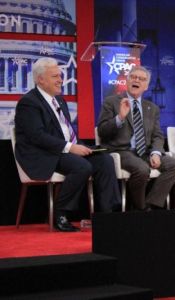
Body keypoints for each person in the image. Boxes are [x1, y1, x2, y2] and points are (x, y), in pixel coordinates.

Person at [14, 57, 121, 232]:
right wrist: (71, 148)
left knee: (104, 160)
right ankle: (59, 213)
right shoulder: (29, 102)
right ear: (40, 79)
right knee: (81, 166)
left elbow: (66, 130)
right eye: (55, 76)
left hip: (63, 150)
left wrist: (80, 146)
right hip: (42, 153)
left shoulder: (60, 100)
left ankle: (107, 214)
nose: (60, 80)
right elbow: (37, 136)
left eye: (61, 75)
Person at [97, 66, 175, 211]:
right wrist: (120, 118)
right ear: (127, 80)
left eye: (141, 79)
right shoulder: (111, 101)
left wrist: (156, 153)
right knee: (142, 169)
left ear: (146, 86)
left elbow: (157, 135)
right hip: (121, 151)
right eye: (133, 77)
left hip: (146, 151)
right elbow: (102, 131)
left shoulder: (152, 108)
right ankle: (140, 208)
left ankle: (151, 204)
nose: (136, 80)